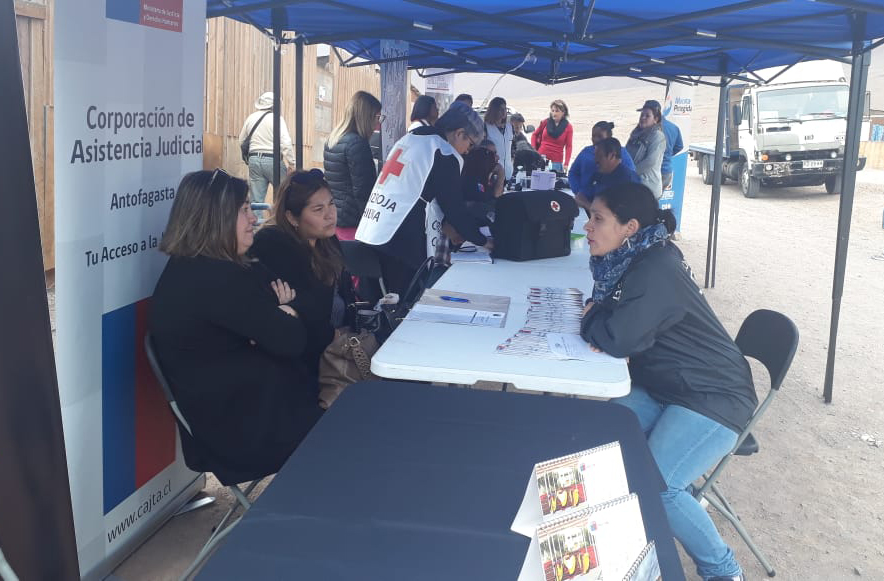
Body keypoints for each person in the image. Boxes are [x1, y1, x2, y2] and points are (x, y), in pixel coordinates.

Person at [580, 182, 755, 581]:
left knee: (661, 484)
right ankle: (615, 539)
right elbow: (616, 324)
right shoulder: (635, 258)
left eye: (598, 219)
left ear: (630, 227)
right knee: (599, 435)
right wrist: (600, 319)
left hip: (714, 396)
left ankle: (724, 571)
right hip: (670, 384)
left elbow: (618, 336)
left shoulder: (654, 267)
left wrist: (592, 318)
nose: (587, 227)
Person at [149, 169, 323, 485]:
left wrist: (285, 315)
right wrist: (284, 317)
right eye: (244, 210)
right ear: (215, 218)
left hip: (252, 408)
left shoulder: (218, 265)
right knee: (345, 431)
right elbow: (293, 339)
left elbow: (308, 305)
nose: (254, 218)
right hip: (241, 432)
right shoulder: (212, 279)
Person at [355, 101, 491, 294]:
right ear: (459, 133)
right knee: (401, 307)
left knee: (373, 305)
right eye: (469, 145)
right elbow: (454, 208)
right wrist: (483, 241)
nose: (467, 152)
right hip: (401, 239)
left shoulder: (409, 139)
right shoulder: (443, 151)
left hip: (372, 229)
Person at [249, 169, 356, 379]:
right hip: (303, 370)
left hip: (341, 350)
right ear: (292, 217)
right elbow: (305, 313)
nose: (330, 214)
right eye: (318, 209)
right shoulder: (273, 245)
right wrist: (332, 335)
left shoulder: (327, 240)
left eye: (332, 204)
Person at [323, 91, 383, 240]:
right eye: (377, 117)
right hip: (353, 222)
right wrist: (371, 223)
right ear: (366, 116)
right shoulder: (357, 144)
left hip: (337, 217)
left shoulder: (333, 139)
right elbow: (363, 189)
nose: (378, 123)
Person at [238, 92, 296, 216]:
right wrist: (292, 163)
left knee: (256, 200)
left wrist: (249, 158)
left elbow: (241, 140)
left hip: (254, 160)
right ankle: (280, 225)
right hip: (273, 160)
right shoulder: (277, 119)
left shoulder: (251, 118)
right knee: (283, 196)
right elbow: (286, 143)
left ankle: (256, 229)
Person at [569, 121, 636, 196]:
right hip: (584, 199)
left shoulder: (621, 152)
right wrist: (578, 191)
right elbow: (573, 172)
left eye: (600, 136)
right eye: (593, 136)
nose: (596, 139)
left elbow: (630, 176)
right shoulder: (586, 152)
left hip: (608, 200)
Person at [573, 137, 641, 211]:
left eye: (599, 156)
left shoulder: (628, 180)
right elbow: (582, 195)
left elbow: (616, 216)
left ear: (611, 156)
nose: (595, 160)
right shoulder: (599, 175)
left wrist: (587, 205)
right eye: (595, 156)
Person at [626, 100, 667, 199]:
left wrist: (630, 172)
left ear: (656, 119)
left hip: (648, 188)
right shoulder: (635, 134)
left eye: (647, 116)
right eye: (642, 115)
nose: (643, 118)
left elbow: (650, 162)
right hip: (634, 185)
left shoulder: (657, 136)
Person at [532, 99, 573, 172]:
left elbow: (569, 146)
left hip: (556, 162)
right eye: (552, 110)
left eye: (557, 111)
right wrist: (534, 151)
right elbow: (534, 135)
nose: (554, 113)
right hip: (541, 158)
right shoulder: (545, 122)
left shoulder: (568, 127)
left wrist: (566, 163)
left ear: (563, 112)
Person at [655, 99, 685, 191]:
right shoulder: (674, 127)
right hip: (667, 171)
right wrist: (667, 154)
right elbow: (679, 146)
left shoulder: (650, 128)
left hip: (653, 172)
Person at [483, 97, 514, 179]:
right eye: (500, 109)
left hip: (508, 171)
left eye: (505, 109)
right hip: (493, 171)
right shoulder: (486, 127)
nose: (504, 112)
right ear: (494, 110)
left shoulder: (510, 127)